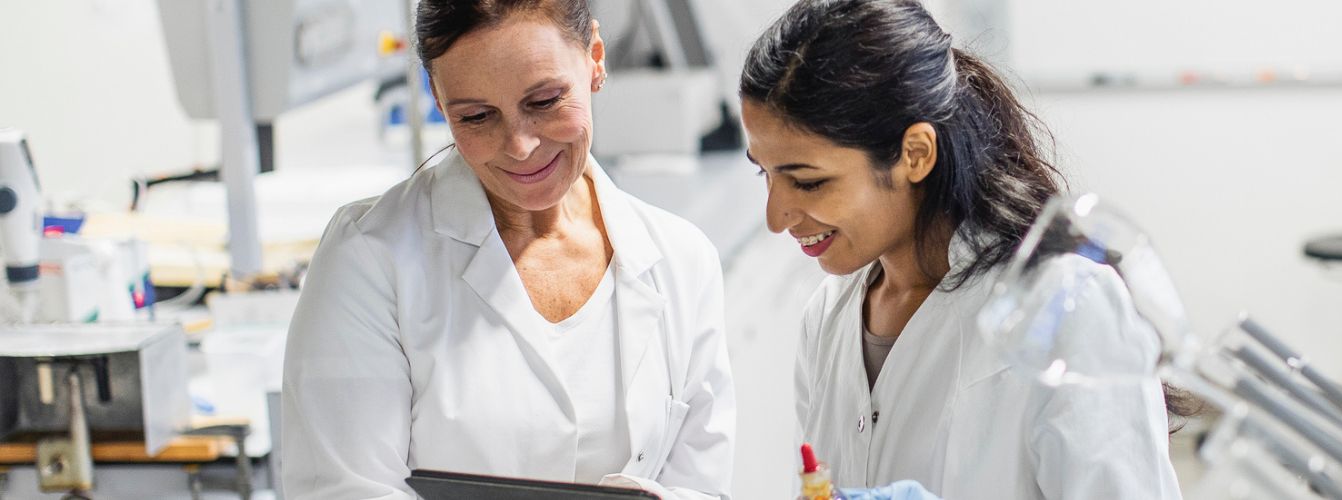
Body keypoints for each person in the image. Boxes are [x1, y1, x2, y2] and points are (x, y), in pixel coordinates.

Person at [738, 1, 1193, 498]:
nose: (775, 217)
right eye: (765, 173)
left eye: (809, 182)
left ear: (915, 154)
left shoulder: (1066, 307)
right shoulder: (828, 314)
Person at [280, 1, 732, 498]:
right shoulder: (369, 259)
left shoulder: (682, 260)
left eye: (544, 102)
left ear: (595, 59)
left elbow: (700, 486)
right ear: (438, 96)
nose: (518, 145)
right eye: (476, 116)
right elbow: (347, 489)